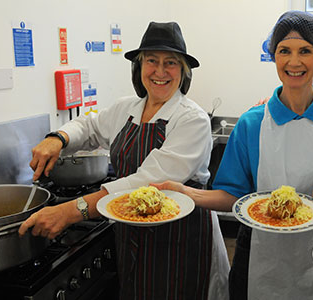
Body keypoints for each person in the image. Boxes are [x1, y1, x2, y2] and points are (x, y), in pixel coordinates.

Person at [152, 11, 313, 300]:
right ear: (274, 56)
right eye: (284, 50)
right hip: (258, 252)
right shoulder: (253, 123)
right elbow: (232, 195)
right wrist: (184, 193)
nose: (294, 61)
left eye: (305, 51)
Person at [18, 21, 230, 300]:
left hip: (180, 239)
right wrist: (57, 137)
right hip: (131, 231)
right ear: (139, 67)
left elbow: (148, 182)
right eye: (151, 61)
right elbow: (89, 126)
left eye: (171, 63)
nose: (160, 71)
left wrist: (73, 210)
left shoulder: (191, 119)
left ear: (183, 71)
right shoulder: (126, 108)